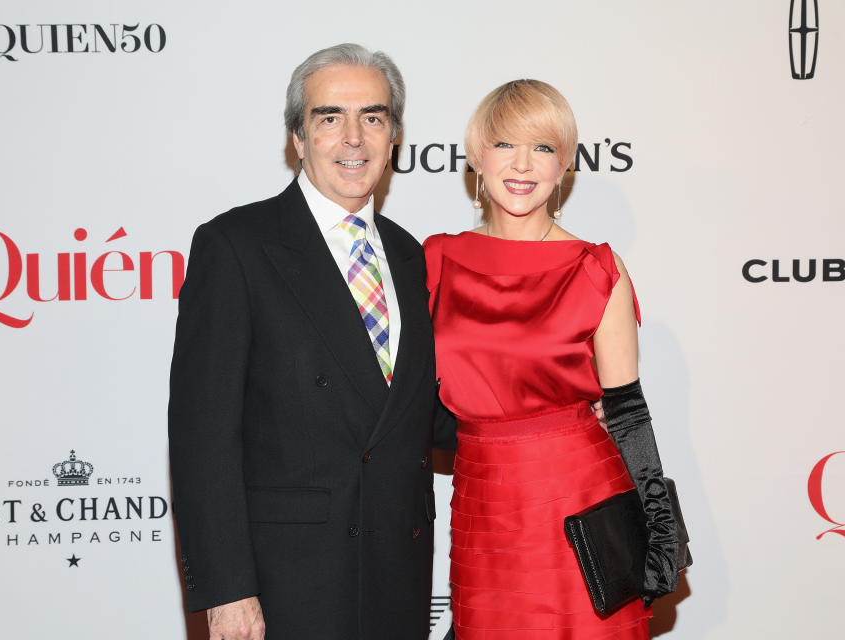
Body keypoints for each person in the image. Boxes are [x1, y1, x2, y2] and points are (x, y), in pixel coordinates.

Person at [168, 43, 455, 640]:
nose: (354, 138)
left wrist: (558, 406)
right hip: (286, 588)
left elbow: (422, 415)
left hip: (397, 583)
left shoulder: (411, 257)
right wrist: (227, 592)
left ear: (394, 136)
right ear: (298, 138)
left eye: (372, 117)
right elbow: (203, 437)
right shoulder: (237, 245)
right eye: (330, 118)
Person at [424, 80, 679, 638]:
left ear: (564, 164)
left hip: (578, 497)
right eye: (504, 145)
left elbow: (628, 411)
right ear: (475, 157)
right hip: (482, 502)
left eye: (542, 147)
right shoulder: (437, 259)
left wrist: (660, 529)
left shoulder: (595, 268)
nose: (522, 165)